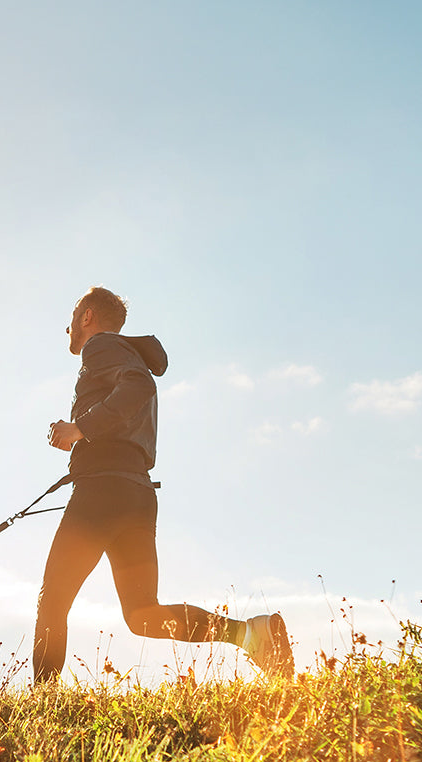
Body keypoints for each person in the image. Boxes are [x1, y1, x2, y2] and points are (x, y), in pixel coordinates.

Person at [33, 286, 292, 682]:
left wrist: (79, 428)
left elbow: (139, 386)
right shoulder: (123, 353)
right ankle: (249, 633)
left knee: (53, 600)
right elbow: (135, 390)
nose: (66, 326)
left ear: (86, 317)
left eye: (72, 316)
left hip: (102, 493)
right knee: (142, 614)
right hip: (136, 493)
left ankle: (43, 705)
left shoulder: (100, 347)